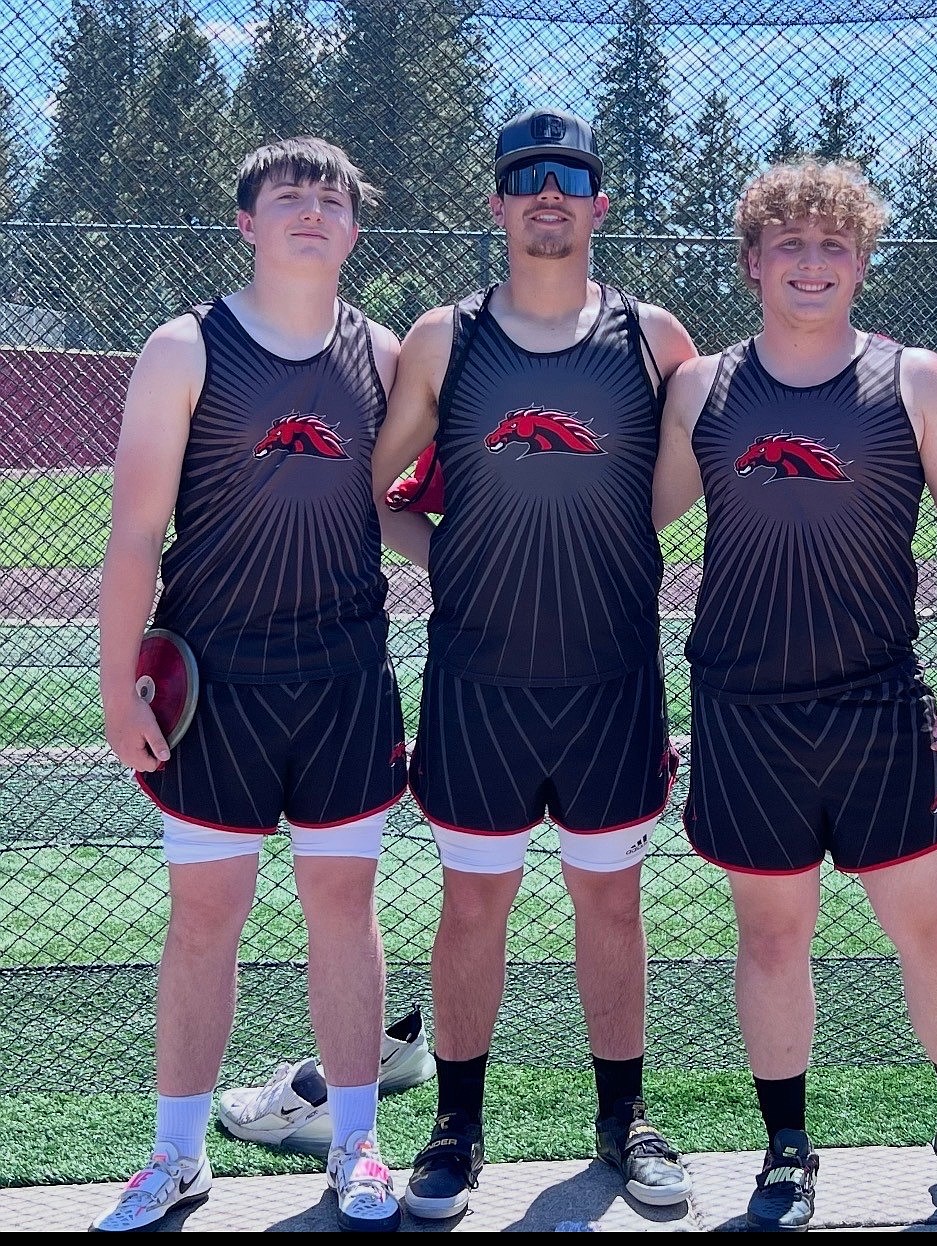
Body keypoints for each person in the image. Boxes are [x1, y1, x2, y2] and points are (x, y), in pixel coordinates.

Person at [651, 157, 937, 1234]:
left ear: (864, 261)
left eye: (834, 244)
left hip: (879, 702)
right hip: (744, 704)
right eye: (791, 244)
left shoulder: (917, 380)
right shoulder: (704, 389)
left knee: (932, 931)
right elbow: (628, 522)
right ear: (752, 264)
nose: (812, 262)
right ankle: (786, 1150)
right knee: (773, 938)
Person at [370, 106, 699, 1220]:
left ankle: (624, 1119)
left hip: (610, 680)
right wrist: (450, 558)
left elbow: (684, 477)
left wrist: (621, 537)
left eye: (569, 177)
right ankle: (456, 1126)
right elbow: (379, 487)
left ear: (600, 203)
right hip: (481, 683)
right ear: (500, 203)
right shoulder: (444, 337)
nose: (547, 193)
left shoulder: (653, 338)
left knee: (612, 905)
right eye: (526, 177)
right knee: (474, 906)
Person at [93, 136, 408, 1234]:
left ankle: (359, 1146)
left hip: (342, 673)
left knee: (342, 904)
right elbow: (135, 532)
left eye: (332, 196)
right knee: (205, 914)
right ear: (248, 221)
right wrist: (114, 683)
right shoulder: (185, 348)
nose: (312, 209)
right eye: (288, 195)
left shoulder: (387, 354)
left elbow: (405, 509)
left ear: (356, 228)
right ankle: (175, 1156)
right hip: (216, 673)